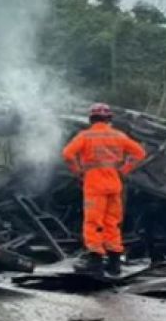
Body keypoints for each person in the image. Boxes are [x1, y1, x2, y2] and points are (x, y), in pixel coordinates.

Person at [62, 103, 146, 276]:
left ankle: (95, 261)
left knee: (93, 222)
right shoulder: (118, 135)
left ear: (91, 118)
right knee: (112, 222)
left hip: (94, 183)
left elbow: (67, 154)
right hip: (114, 183)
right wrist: (124, 170)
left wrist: (78, 172)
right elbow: (139, 153)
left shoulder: (85, 135)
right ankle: (114, 264)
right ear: (109, 119)